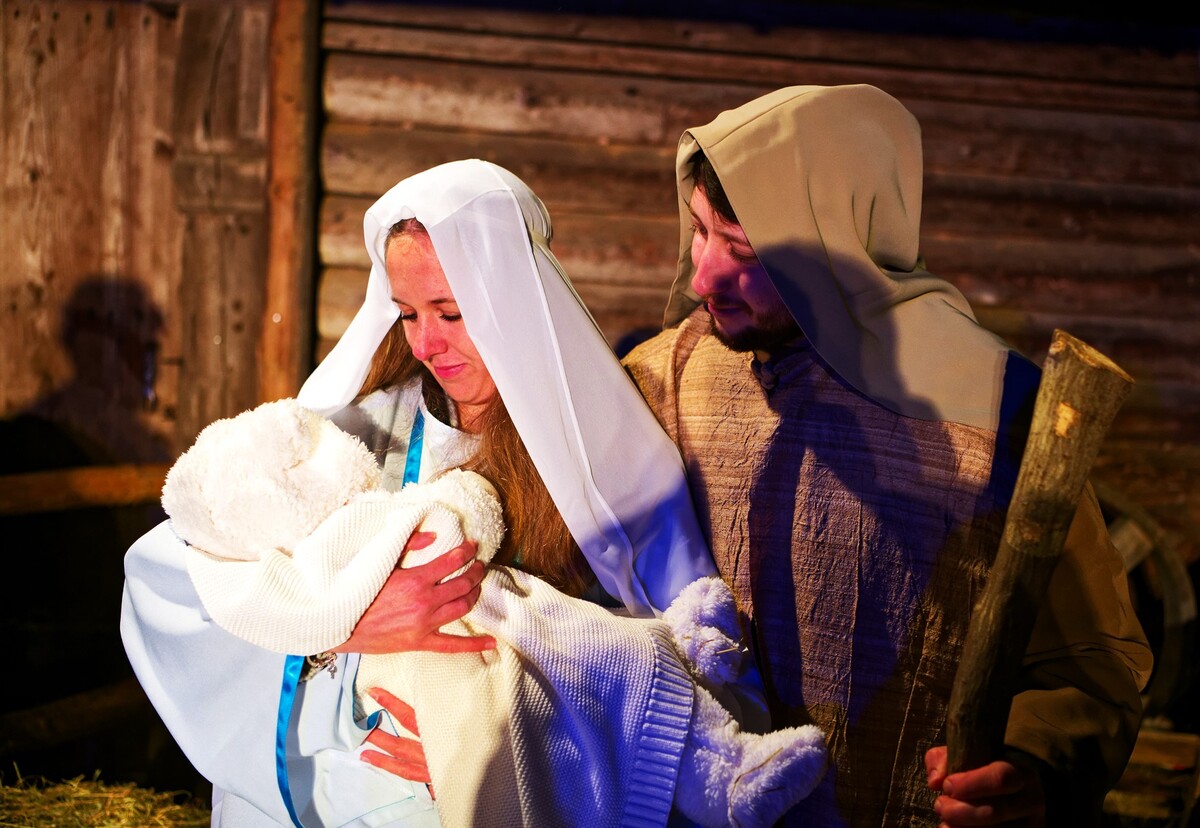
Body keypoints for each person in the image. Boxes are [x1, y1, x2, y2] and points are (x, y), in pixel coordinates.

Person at [122, 159, 786, 827]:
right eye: (407, 313)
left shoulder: (608, 457)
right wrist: (337, 629)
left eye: (451, 311)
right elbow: (170, 577)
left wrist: (500, 744)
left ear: (513, 300)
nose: (425, 343)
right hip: (336, 786)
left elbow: (685, 672)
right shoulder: (356, 431)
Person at [620, 84, 1155, 826]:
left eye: (742, 249)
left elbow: (1092, 667)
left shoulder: (995, 408)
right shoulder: (666, 378)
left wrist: (1032, 765)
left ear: (840, 247)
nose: (703, 275)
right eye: (699, 230)